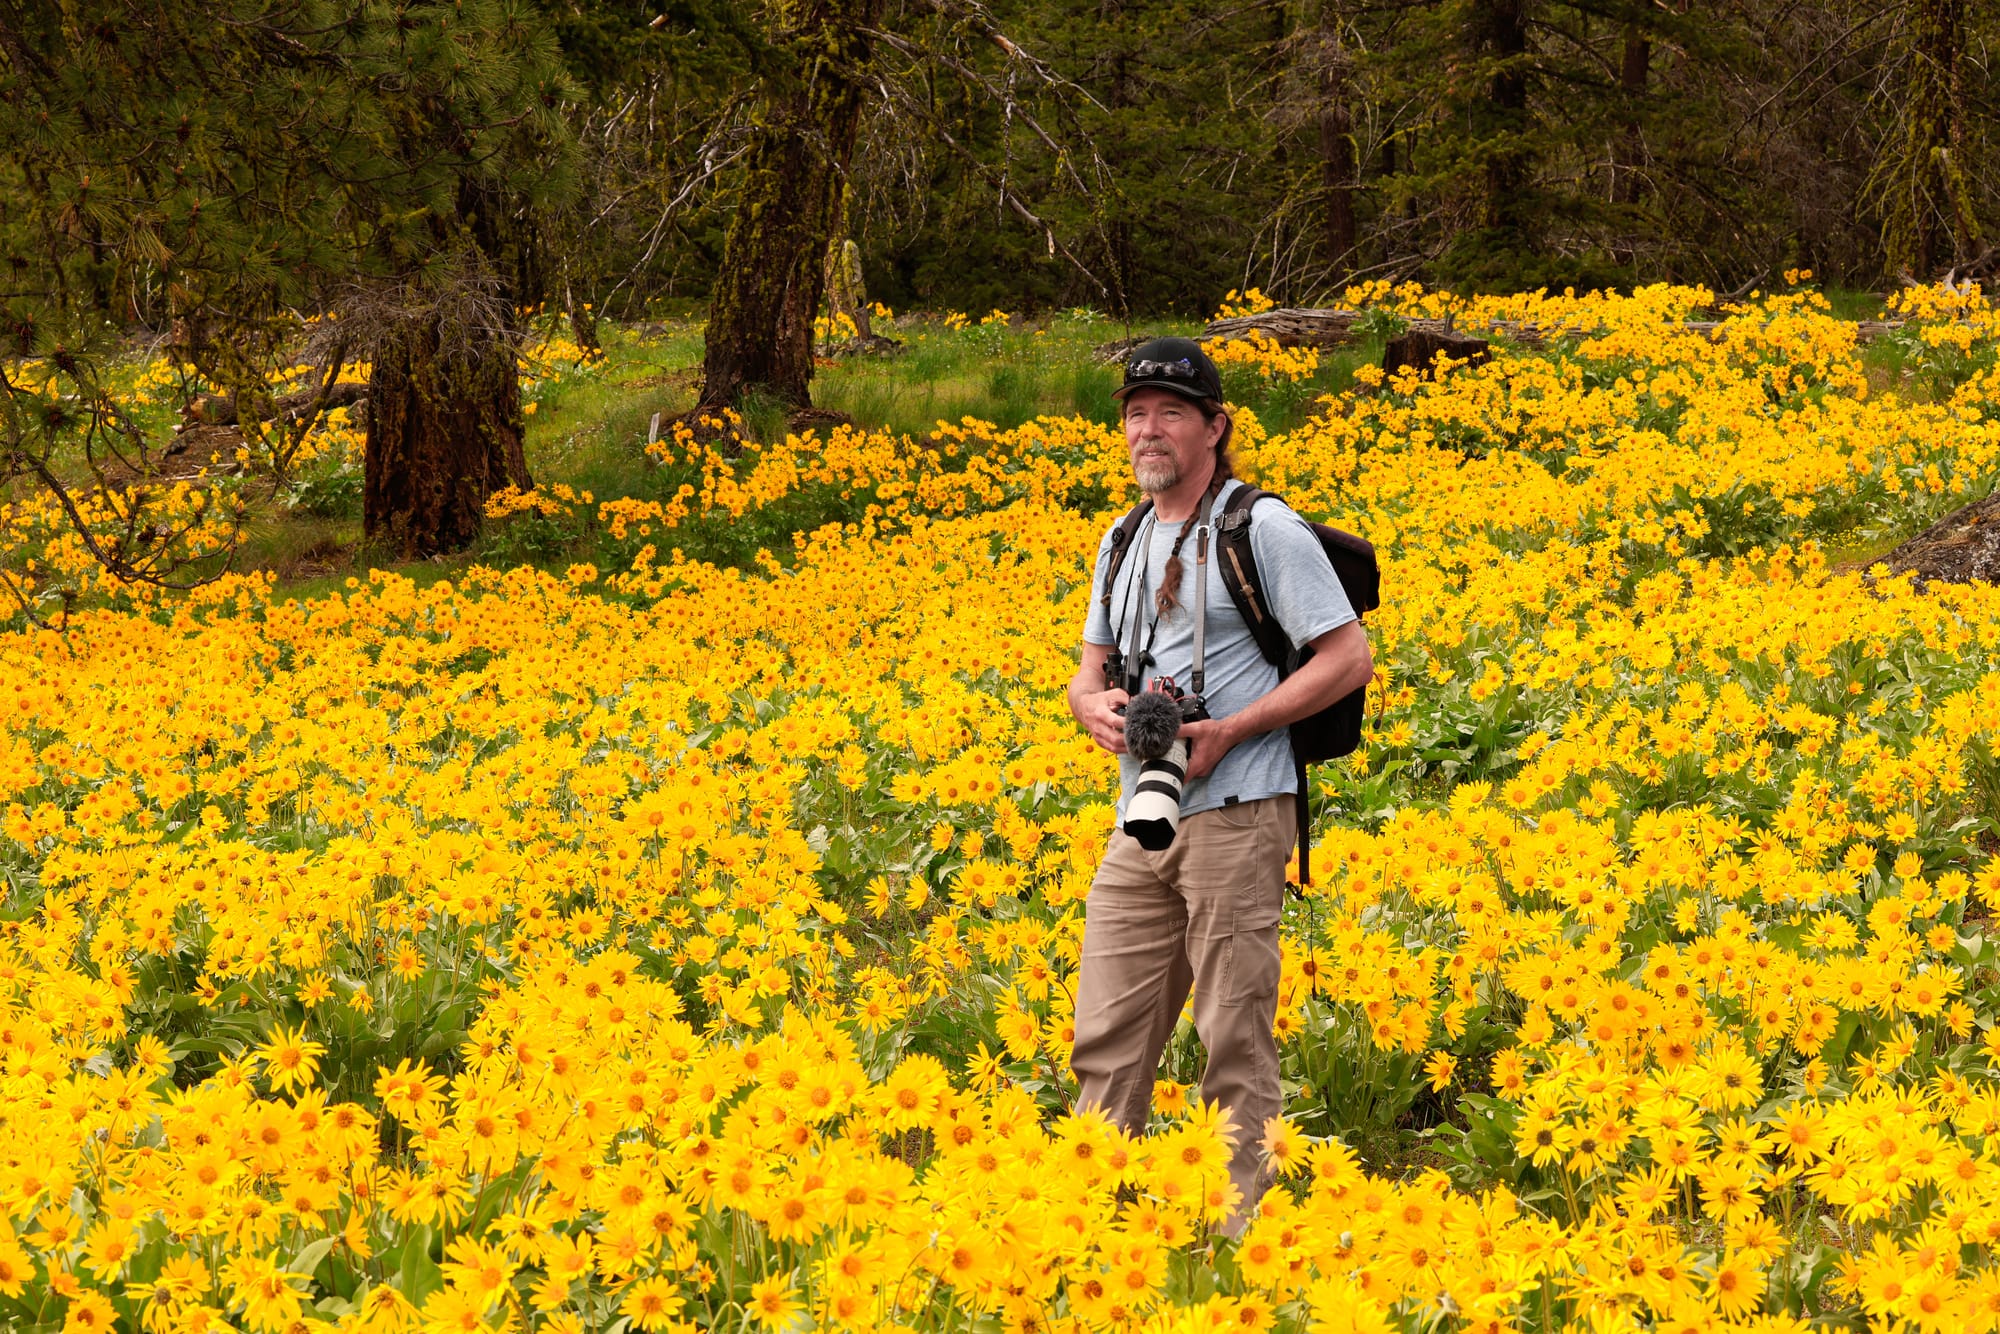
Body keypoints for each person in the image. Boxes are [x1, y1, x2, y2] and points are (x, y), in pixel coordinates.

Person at [1066, 335, 1374, 1228]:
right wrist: (1092, 709)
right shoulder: (1121, 538)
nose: (1148, 431)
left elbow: (1347, 657)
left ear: (1214, 426)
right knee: (1107, 1029)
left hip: (1239, 809)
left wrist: (1230, 729)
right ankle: (1093, 1219)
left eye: (1170, 413)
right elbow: (1087, 671)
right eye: (1135, 415)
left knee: (1231, 1030)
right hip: (1142, 813)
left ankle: (1238, 1229)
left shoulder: (1261, 527)